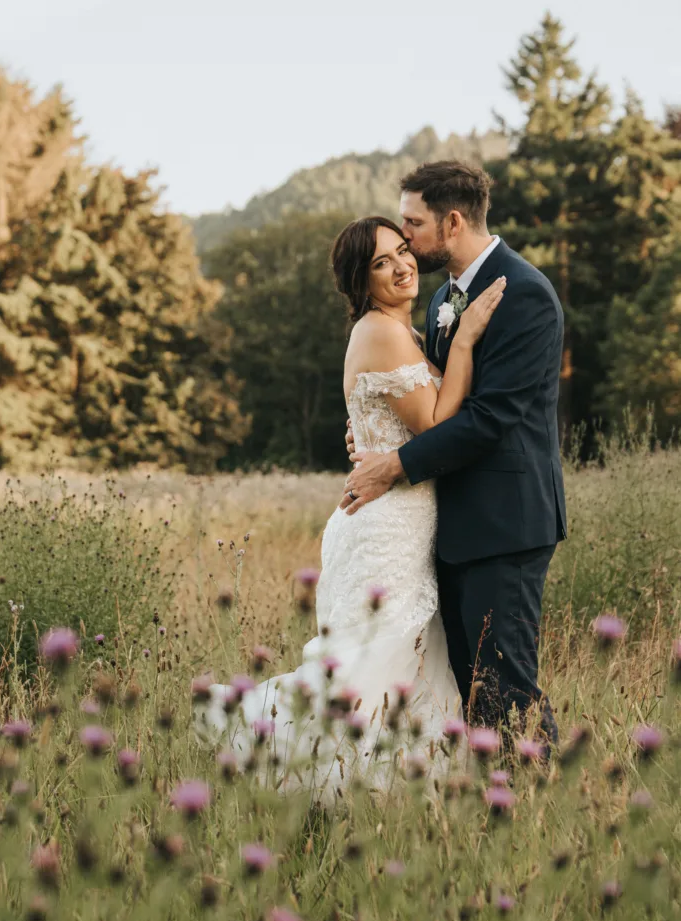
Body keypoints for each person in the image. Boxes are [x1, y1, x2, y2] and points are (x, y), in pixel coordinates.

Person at [193, 214, 504, 799]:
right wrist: (464, 340)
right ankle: (320, 774)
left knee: (402, 654)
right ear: (361, 282)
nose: (401, 266)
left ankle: (393, 788)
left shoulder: (404, 335)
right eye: (380, 263)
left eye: (403, 251)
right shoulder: (381, 332)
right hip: (385, 524)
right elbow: (438, 423)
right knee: (375, 656)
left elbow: (402, 425)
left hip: (404, 518)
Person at [342, 161, 567, 745]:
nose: (406, 239)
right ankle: (491, 809)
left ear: (453, 222)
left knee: (506, 688)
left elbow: (489, 419)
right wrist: (374, 435)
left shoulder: (525, 294)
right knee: (466, 691)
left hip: (505, 524)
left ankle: (542, 801)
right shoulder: (444, 297)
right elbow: (431, 399)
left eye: (413, 225)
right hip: (445, 525)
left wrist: (395, 463)